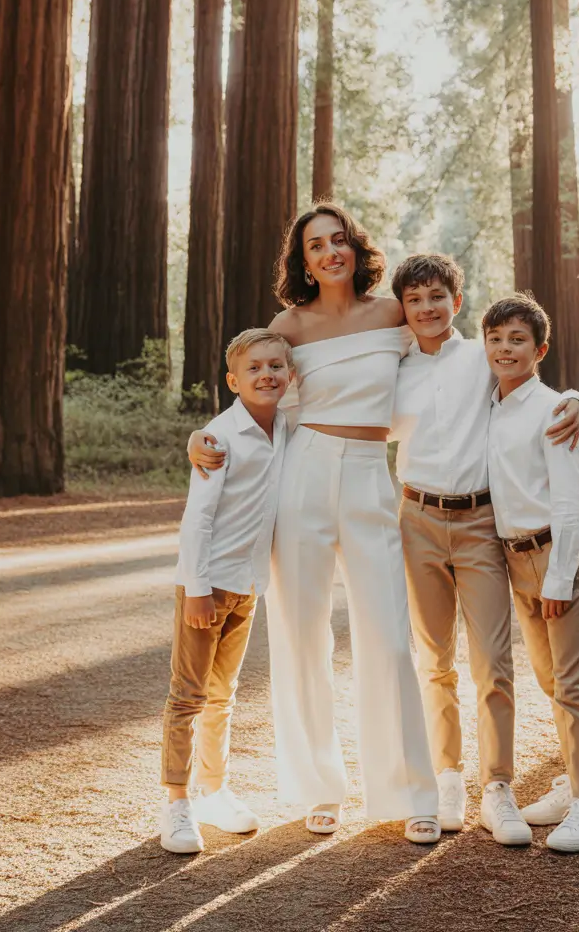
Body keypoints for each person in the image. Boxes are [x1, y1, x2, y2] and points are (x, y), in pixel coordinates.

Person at [189, 205, 440, 845]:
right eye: (316, 245)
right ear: (302, 260)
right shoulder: (289, 325)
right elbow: (257, 390)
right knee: (302, 637)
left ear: (356, 249)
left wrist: (567, 398)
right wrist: (205, 438)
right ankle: (318, 790)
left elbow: (454, 357)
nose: (330, 253)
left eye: (339, 241)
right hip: (302, 472)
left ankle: (408, 791)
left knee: (386, 635)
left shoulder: (391, 315)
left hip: (367, 473)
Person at [389, 253, 579, 844]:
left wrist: (577, 398)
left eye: (437, 297)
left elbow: (536, 383)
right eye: (415, 299)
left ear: (457, 298)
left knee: (492, 663)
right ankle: (444, 779)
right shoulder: (391, 364)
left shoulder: (482, 356)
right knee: (432, 659)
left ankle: (496, 788)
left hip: (479, 522)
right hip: (416, 517)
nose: (427, 309)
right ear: (403, 307)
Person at [484, 293, 579, 853]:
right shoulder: (487, 405)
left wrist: (559, 578)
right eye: (496, 339)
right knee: (550, 681)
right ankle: (571, 781)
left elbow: (571, 502)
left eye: (518, 340)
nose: (505, 349)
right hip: (513, 558)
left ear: (540, 349)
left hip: (553, 556)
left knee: (574, 683)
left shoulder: (555, 410)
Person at [160, 329, 291, 853]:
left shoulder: (287, 424)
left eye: (276, 367)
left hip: (247, 585)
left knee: (224, 695)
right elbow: (198, 520)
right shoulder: (218, 438)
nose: (267, 375)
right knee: (188, 696)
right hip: (208, 585)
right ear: (233, 381)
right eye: (254, 369)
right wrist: (195, 589)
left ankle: (213, 789)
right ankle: (175, 805)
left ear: (290, 374)